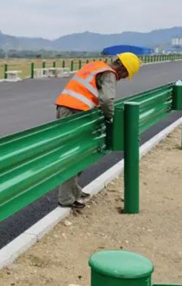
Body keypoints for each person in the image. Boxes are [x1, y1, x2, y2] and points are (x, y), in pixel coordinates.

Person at [54, 52, 140, 209]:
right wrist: (111, 118)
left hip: (65, 107)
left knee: (77, 153)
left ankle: (74, 191)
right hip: (75, 112)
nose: (121, 78)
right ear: (122, 68)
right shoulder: (109, 74)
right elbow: (107, 100)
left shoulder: (96, 66)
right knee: (74, 156)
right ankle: (66, 199)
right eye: (124, 75)